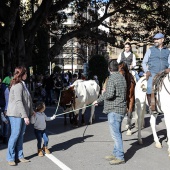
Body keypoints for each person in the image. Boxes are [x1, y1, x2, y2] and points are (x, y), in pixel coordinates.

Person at [92, 59, 127, 165]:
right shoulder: (122, 77)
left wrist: (98, 100)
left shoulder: (112, 78)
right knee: (118, 133)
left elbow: (110, 94)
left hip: (114, 110)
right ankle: (115, 153)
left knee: (116, 135)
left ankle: (120, 156)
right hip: (121, 109)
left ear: (109, 68)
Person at [6, 66, 35, 166]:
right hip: (15, 114)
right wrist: (25, 116)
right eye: (25, 73)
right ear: (21, 74)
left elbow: (28, 100)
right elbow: (18, 101)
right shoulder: (18, 85)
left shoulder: (23, 84)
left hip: (22, 114)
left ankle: (20, 156)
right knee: (15, 134)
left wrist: (31, 111)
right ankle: (10, 157)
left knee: (21, 135)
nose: (27, 75)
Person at [142, 33, 170, 112]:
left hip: (165, 73)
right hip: (153, 73)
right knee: (150, 87)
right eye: (154, 39)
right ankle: (152, 106)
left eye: (157, 39)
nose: (155, 41)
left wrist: (169, 69)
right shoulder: (150, 50)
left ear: (162, 40)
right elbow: (144, 62)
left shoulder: (168, 51)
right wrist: (147, 71)